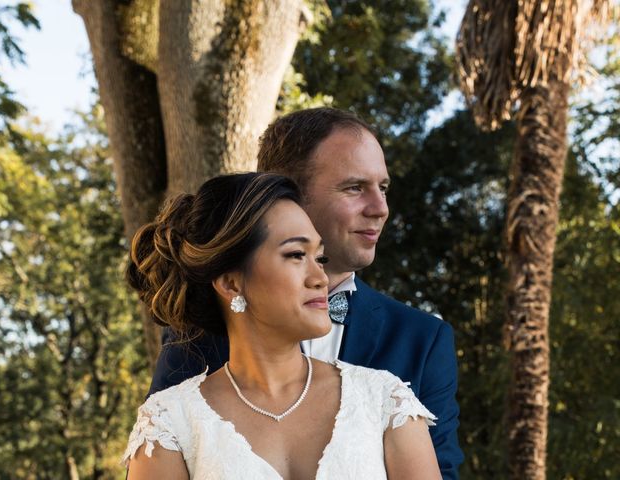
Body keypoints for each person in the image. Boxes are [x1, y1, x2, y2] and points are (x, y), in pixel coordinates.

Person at [150, 108, 463, 478]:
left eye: (383, 188)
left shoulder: (418, 346)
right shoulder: (193, 344)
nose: (380, 209)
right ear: (289, 194)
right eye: (354, 187)